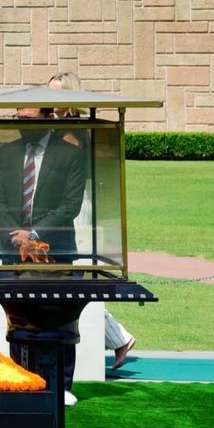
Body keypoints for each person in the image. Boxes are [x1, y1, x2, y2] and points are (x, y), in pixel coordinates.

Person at [0, 105, 86, 404]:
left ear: (48, 118)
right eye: (18, 117)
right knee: (19, 319)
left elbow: (70, 206)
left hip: (56, 250)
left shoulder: (68, 154)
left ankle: (63, 385)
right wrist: (16, 235)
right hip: (11, 249)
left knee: (60, 317)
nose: (21, 123)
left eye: (28, 118)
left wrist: (33, 235)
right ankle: (22, 377)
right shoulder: (8, 152)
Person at [48, 70, 137, 370]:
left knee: (75, 281)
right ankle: (119, 337)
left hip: (74, 208)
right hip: (56, 207)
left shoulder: (74, 131)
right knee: (70, 282)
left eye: (57, 93)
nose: (50, 100)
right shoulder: (55, 126)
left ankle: (119, 337)